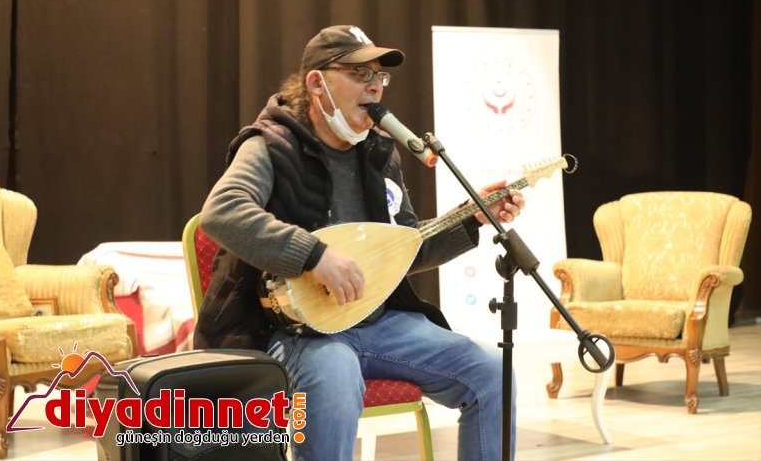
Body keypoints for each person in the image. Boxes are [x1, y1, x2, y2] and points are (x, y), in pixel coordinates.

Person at [194, 25, 525, 461]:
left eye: (380, 76)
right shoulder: (270, 143)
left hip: (378, 322)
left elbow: (405, 248)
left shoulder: (379, 152)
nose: (375, 86)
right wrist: (314, 256)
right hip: (292, 331)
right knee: (333, 375)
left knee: (493, 373)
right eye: (359, 73)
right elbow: (222, 211)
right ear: (317, 83)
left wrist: (472, 217)